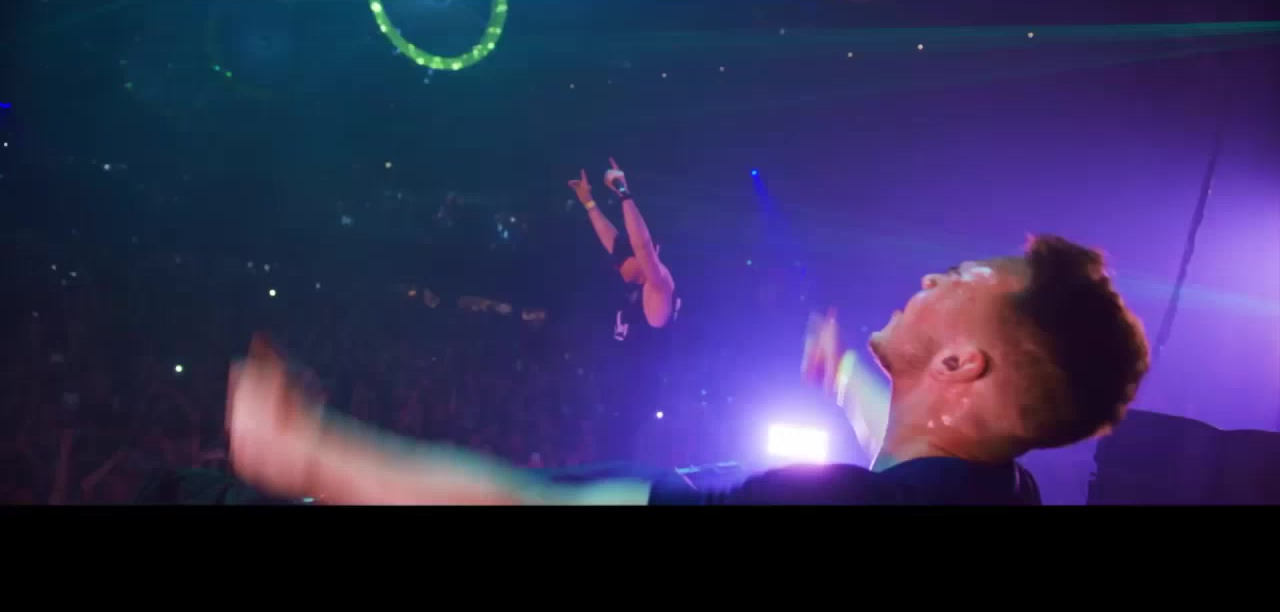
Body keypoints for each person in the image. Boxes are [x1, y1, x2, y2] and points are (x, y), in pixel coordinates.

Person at [225, 234, 1150, 505]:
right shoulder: (1004, 488)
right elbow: (903, 443)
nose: (933, 276)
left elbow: (530, 506)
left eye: (961, 278)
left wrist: (311, 454)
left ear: (959, 362)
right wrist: (845, 374)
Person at [568, 158, 677, 335]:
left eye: (622, 260)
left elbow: (643, 247)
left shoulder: (659, 286)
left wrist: (623, 192)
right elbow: (611, 240)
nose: (620, 265)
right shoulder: (636, 283)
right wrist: (589, 203)